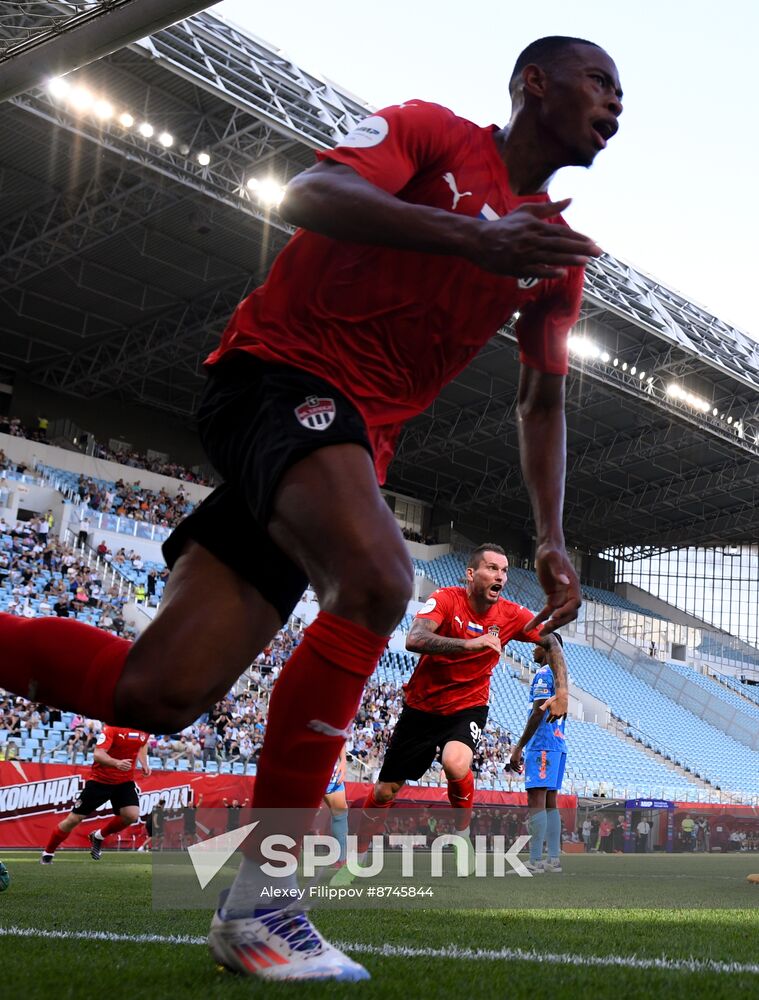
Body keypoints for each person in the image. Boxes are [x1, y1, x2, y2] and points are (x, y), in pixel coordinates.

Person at [0, 34, 622, 981]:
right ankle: (265, 902)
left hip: (344, 446)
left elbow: (541, 403)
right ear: (533, 82)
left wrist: (551, 537)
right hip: (276, 376)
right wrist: (474, 237)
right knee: (377, 580)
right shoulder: (429, 135)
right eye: (600, 84)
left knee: (160, 693)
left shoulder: (552, 255)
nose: (615, 107)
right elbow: (307, 194)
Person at [336, 545, 566, 884]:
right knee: (385, 790)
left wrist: (563, 691)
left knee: (456, 762)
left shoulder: (512, 614)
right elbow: (415, 638)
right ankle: (356, 856)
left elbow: (551, 642)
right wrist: (469, 645)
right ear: (472, 575)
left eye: (504, 571)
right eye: (492, 568)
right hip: (421, 708)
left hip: (468, 706)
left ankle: (461, 834)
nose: (500, 576)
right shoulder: (447, 599)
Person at [40, 725, 150, 863]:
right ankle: (48, 852)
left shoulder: (145, 728)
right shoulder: (112, 728)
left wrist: (144, 763)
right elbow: (98, 754)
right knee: (74, 819)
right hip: (100, 781)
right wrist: (116, 763)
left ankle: (98, 836)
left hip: (124, 781)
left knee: (131, 815)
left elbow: (142, 743)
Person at [507, 635, 568, 873]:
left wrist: (519, 746)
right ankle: (553, 859)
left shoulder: (544, 674)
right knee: (551, 804)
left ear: (546, 649)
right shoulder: (562, 678)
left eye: (536, 645)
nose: (532, 650)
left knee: (536, 802)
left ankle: (534, 861)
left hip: (542, 744)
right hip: (558, 745)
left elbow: (537, 713)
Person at [324, 743, 349, 866]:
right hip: (301, 768)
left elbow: (340, 738)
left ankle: (342, 858)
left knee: (340, 811)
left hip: (328, 770)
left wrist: (343, 761)